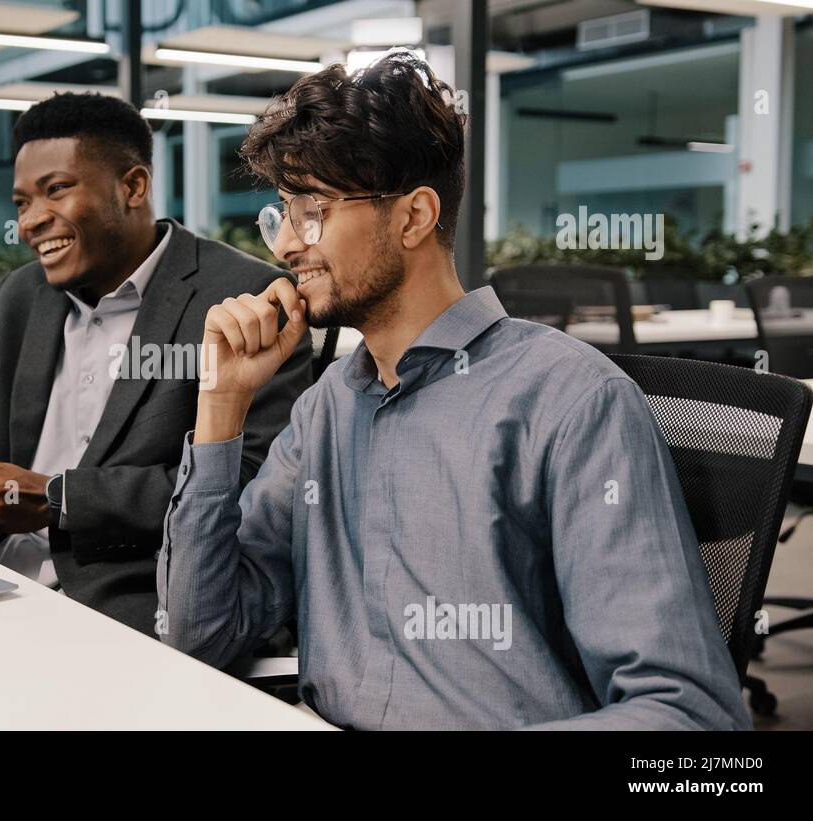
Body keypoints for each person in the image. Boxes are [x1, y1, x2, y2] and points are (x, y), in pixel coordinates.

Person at [155, 53, 750, 729]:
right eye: (282, 213)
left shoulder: (570, 402)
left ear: (413, 218)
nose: (287, 243)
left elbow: (689, 714)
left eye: (312, 209)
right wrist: (220, 406)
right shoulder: (324, 411)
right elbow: (198, 636)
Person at [0, 92, 311, 635]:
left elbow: (248, 481)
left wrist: (59, 501)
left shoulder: (242, 296)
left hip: (121, 606)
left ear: (133, 186)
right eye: (22, 203)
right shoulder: (20, 296)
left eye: (56, 190)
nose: (31, 222)